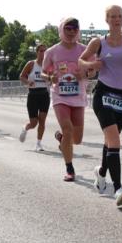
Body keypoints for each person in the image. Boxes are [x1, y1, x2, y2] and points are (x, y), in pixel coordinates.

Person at [83, 5, 122, 207]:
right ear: (106, 19)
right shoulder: (98, 42)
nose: (117, 19)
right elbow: (81, 61)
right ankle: (118, 189)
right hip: (104, 94)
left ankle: (101, 172)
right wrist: (91, 65)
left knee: (110, 140)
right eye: (113, 16)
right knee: (114, 140)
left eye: (120, 16)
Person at [42, 18, 90, 181]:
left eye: (74, 29)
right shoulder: (52, 51)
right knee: (68, 129)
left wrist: (83, 74)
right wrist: (50, 77)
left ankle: (63, 140)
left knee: (77, 139)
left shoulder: (84, 50)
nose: (71, 32)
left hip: (78, 96)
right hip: (59, 96)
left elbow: (92, 72)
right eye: (68, 29)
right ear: (62, 30)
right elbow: (43, 73)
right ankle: (70, 169)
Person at [18, 43, 50, 152]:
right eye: (41, 51)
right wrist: (28, 82)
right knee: (34, 123)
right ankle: (25, 128)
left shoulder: (49, 65)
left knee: (42, 121)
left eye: (45, 51)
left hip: (44, 94)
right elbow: (21, 76)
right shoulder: (31, 64)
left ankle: (38, 144)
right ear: (37, 52)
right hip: (33, 94)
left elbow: (53, 77)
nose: (43, 53)